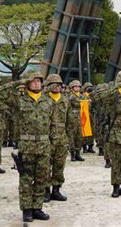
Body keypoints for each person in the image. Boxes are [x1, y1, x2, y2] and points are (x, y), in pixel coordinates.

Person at [15, 71, 53, 222]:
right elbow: (1, 95)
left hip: (44, 145)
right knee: (26, 178)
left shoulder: (47, 101)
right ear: (27, 83)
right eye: (34, 80)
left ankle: (37, 208)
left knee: (41, 178)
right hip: (27, 145)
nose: (37, 83)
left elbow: (53, 124)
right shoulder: (19, 100)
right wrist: (20, 82)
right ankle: (27, 210)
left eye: (39, 81)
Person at [44, 74, 73, 202]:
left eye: (60, 84)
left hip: (61, 138)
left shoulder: (65, 100)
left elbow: (70, 120)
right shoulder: (43, 99)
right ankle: (45, 190)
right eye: (55, 84)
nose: (57, 87)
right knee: (45, 166)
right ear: (48, 86)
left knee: (59, 165)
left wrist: (68, 137)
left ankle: (56, 190)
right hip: (47, 137)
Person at [67, 80, 86, 162]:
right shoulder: (70, 96)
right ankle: (72, 154)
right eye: (75, 87)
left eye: (78, 86)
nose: (77, 88)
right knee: (72, 136)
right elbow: (75, 103)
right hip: (72, 119)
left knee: (79, 136)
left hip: (81, 118)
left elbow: (88, 104)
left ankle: (78, 153)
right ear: (72, 88)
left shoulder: (82, 96)